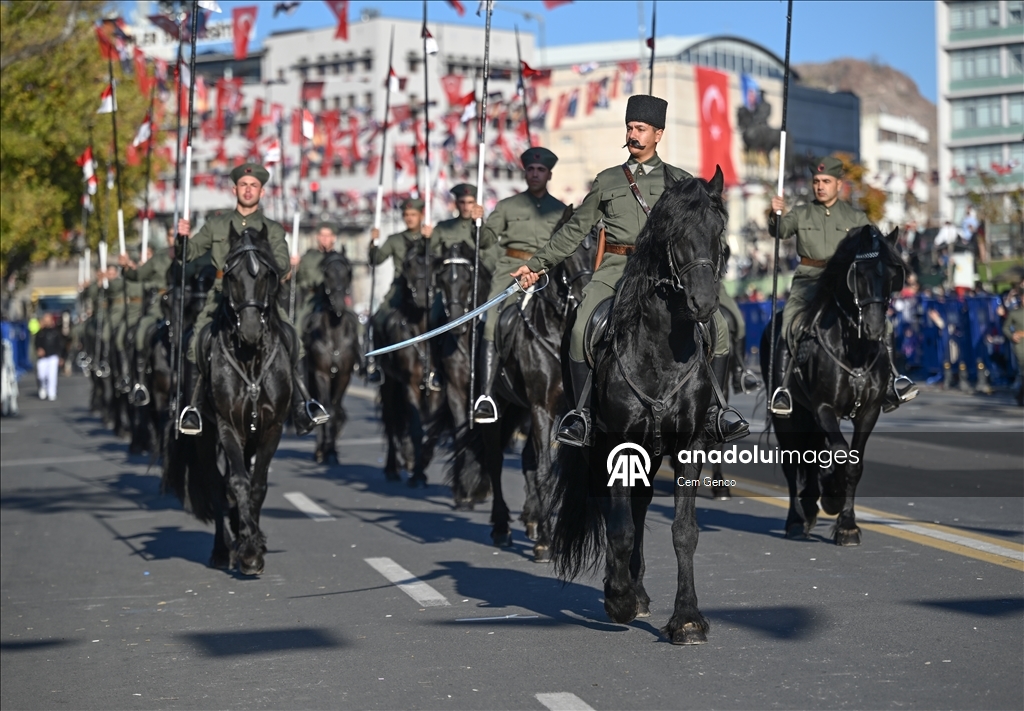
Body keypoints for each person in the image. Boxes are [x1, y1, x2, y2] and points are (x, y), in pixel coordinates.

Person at [511, 95, 745, 447]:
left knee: (720, 328)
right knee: (579, 329)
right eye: (630, 128)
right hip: (616, 269)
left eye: (641, 129)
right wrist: (536, 264)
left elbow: (702, 233)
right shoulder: (607, 181)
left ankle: (715, 412)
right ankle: (581, 415)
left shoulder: (680, 182)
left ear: (658, 134)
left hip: (666, 275)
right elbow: (576, 230)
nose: (633, 134)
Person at [175, 162, 328, 436]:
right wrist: (182, 238)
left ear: (262, 191)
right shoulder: (217, 224)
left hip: (260, 298)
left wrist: (265, 263)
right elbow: (188, 254)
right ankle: (193, 409)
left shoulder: (272, 228)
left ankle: (302, 405)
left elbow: (281, 263)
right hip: (222, 294)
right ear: (235, 189)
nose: (248, 190)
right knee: (195, 342)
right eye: (243, 185)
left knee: (294, 339)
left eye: (254, 185)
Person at [768, 156, 918, 415]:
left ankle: (892, 382)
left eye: (826, 181)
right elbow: (779, 231)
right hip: (809, 280)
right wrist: (776, 213)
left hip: (844, 283)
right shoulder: (802, 213)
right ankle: (783, 390)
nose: (820, 186)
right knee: (789, 323)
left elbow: (874, 247)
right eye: (816, 181)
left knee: (885, 325)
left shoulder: (856, 217)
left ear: (839, 184)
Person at [472, 146, 567, 423]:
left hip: (547, 273)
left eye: (540, 170)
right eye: (530, 169)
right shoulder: (506, 206)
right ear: (525, 173)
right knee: (491, 320)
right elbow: (487, 242)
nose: (535, 174)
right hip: (510, 272)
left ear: (549, 174)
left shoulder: (561, 210)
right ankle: (487, 396)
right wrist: (478, 223)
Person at [365, 198, 432, 383]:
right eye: (406, 215)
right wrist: (373, 242)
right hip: (400, 290)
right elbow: (376, 259)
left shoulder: (431, 237)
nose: (409, 219)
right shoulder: (395, 240)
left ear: (421, 216)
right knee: (378, 319)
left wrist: (430, 240)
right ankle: (377, 363)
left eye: (413, 215)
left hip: (427, 289)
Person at [120, 238, 172, 400]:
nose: (172, 238)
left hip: (181, 304)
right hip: (158, 307)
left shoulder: (191, 253)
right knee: (141, 333)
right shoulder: (156, 260)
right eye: (169, 234)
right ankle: (140, 383)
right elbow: (137, 276)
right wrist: (128, 267)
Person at [293, 221, 339, 342]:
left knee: (355, 324)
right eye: (322, 235)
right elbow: (298, 279)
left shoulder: (338, 259)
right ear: (317, 237)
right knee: (298, 325)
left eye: (328, 235)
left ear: (333, 238)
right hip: (313, 298)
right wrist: (294, 267)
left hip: (335, 298)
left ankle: (360, 356)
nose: (324, 239)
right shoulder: (308, 257)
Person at [1002, 282, 1024, 406]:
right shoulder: (1014, 313)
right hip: (1021, 344)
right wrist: (1012, 335)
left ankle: (1020, 395)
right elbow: (1005, 328)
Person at [34, 314, 65, 401]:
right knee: (41, 375)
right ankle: (43, 387)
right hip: (43, 358)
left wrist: (61, 357)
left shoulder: (56, 332)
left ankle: (52, 392)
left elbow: (60, 345)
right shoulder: (40, 332)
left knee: (52, 375)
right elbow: (36, 343)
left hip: (53, 356)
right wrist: (38, 350)